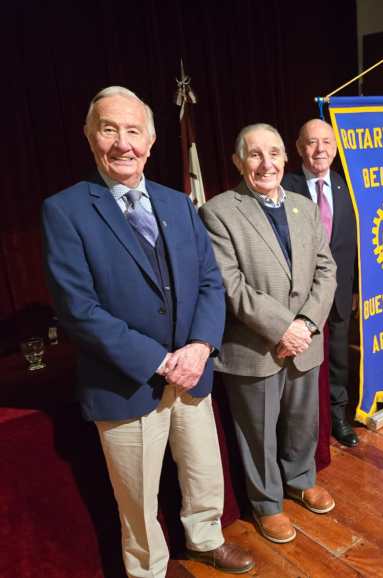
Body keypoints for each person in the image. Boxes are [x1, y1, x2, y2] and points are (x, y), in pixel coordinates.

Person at [41, 86, 254, 577]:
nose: (123, 143)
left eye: (133, 130)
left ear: (152, 139)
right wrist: (160, 361)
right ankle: (148, 569)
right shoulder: (65, 210)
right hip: (126, 382)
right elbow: (78, 309)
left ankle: (205, 538)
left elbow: (208, 281)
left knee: (204, 472)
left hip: (193, 372)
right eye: (109, 129)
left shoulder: (178, 204)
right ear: (90, 136)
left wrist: (200, 347)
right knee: (136, 497)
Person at [199, 123, 337, 544]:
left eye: (274, 153)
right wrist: (284, 328)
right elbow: (230, 285)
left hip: (306, 343)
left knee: (302, 421)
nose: (266, 163)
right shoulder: (218, 211)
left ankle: (300, 477)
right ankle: (267, 503)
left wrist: (307, 325)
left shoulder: (304, 207)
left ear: (285, 158)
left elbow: (326, 271)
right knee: (257, 433)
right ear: (239, 162)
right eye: (255, 155)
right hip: (255, 347)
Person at [281, 119, 359, 447]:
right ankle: (304, 425)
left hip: (339, 293)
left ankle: (337, 416)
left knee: (338, 357)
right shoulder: (284, 187)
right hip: (297, 295)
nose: (320, 150)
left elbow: (354, 244)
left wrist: (354, 289)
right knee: (301, 362)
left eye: (326, 142)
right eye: (311, 143)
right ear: (299, 148)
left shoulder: (349, 187)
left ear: (336, 148)